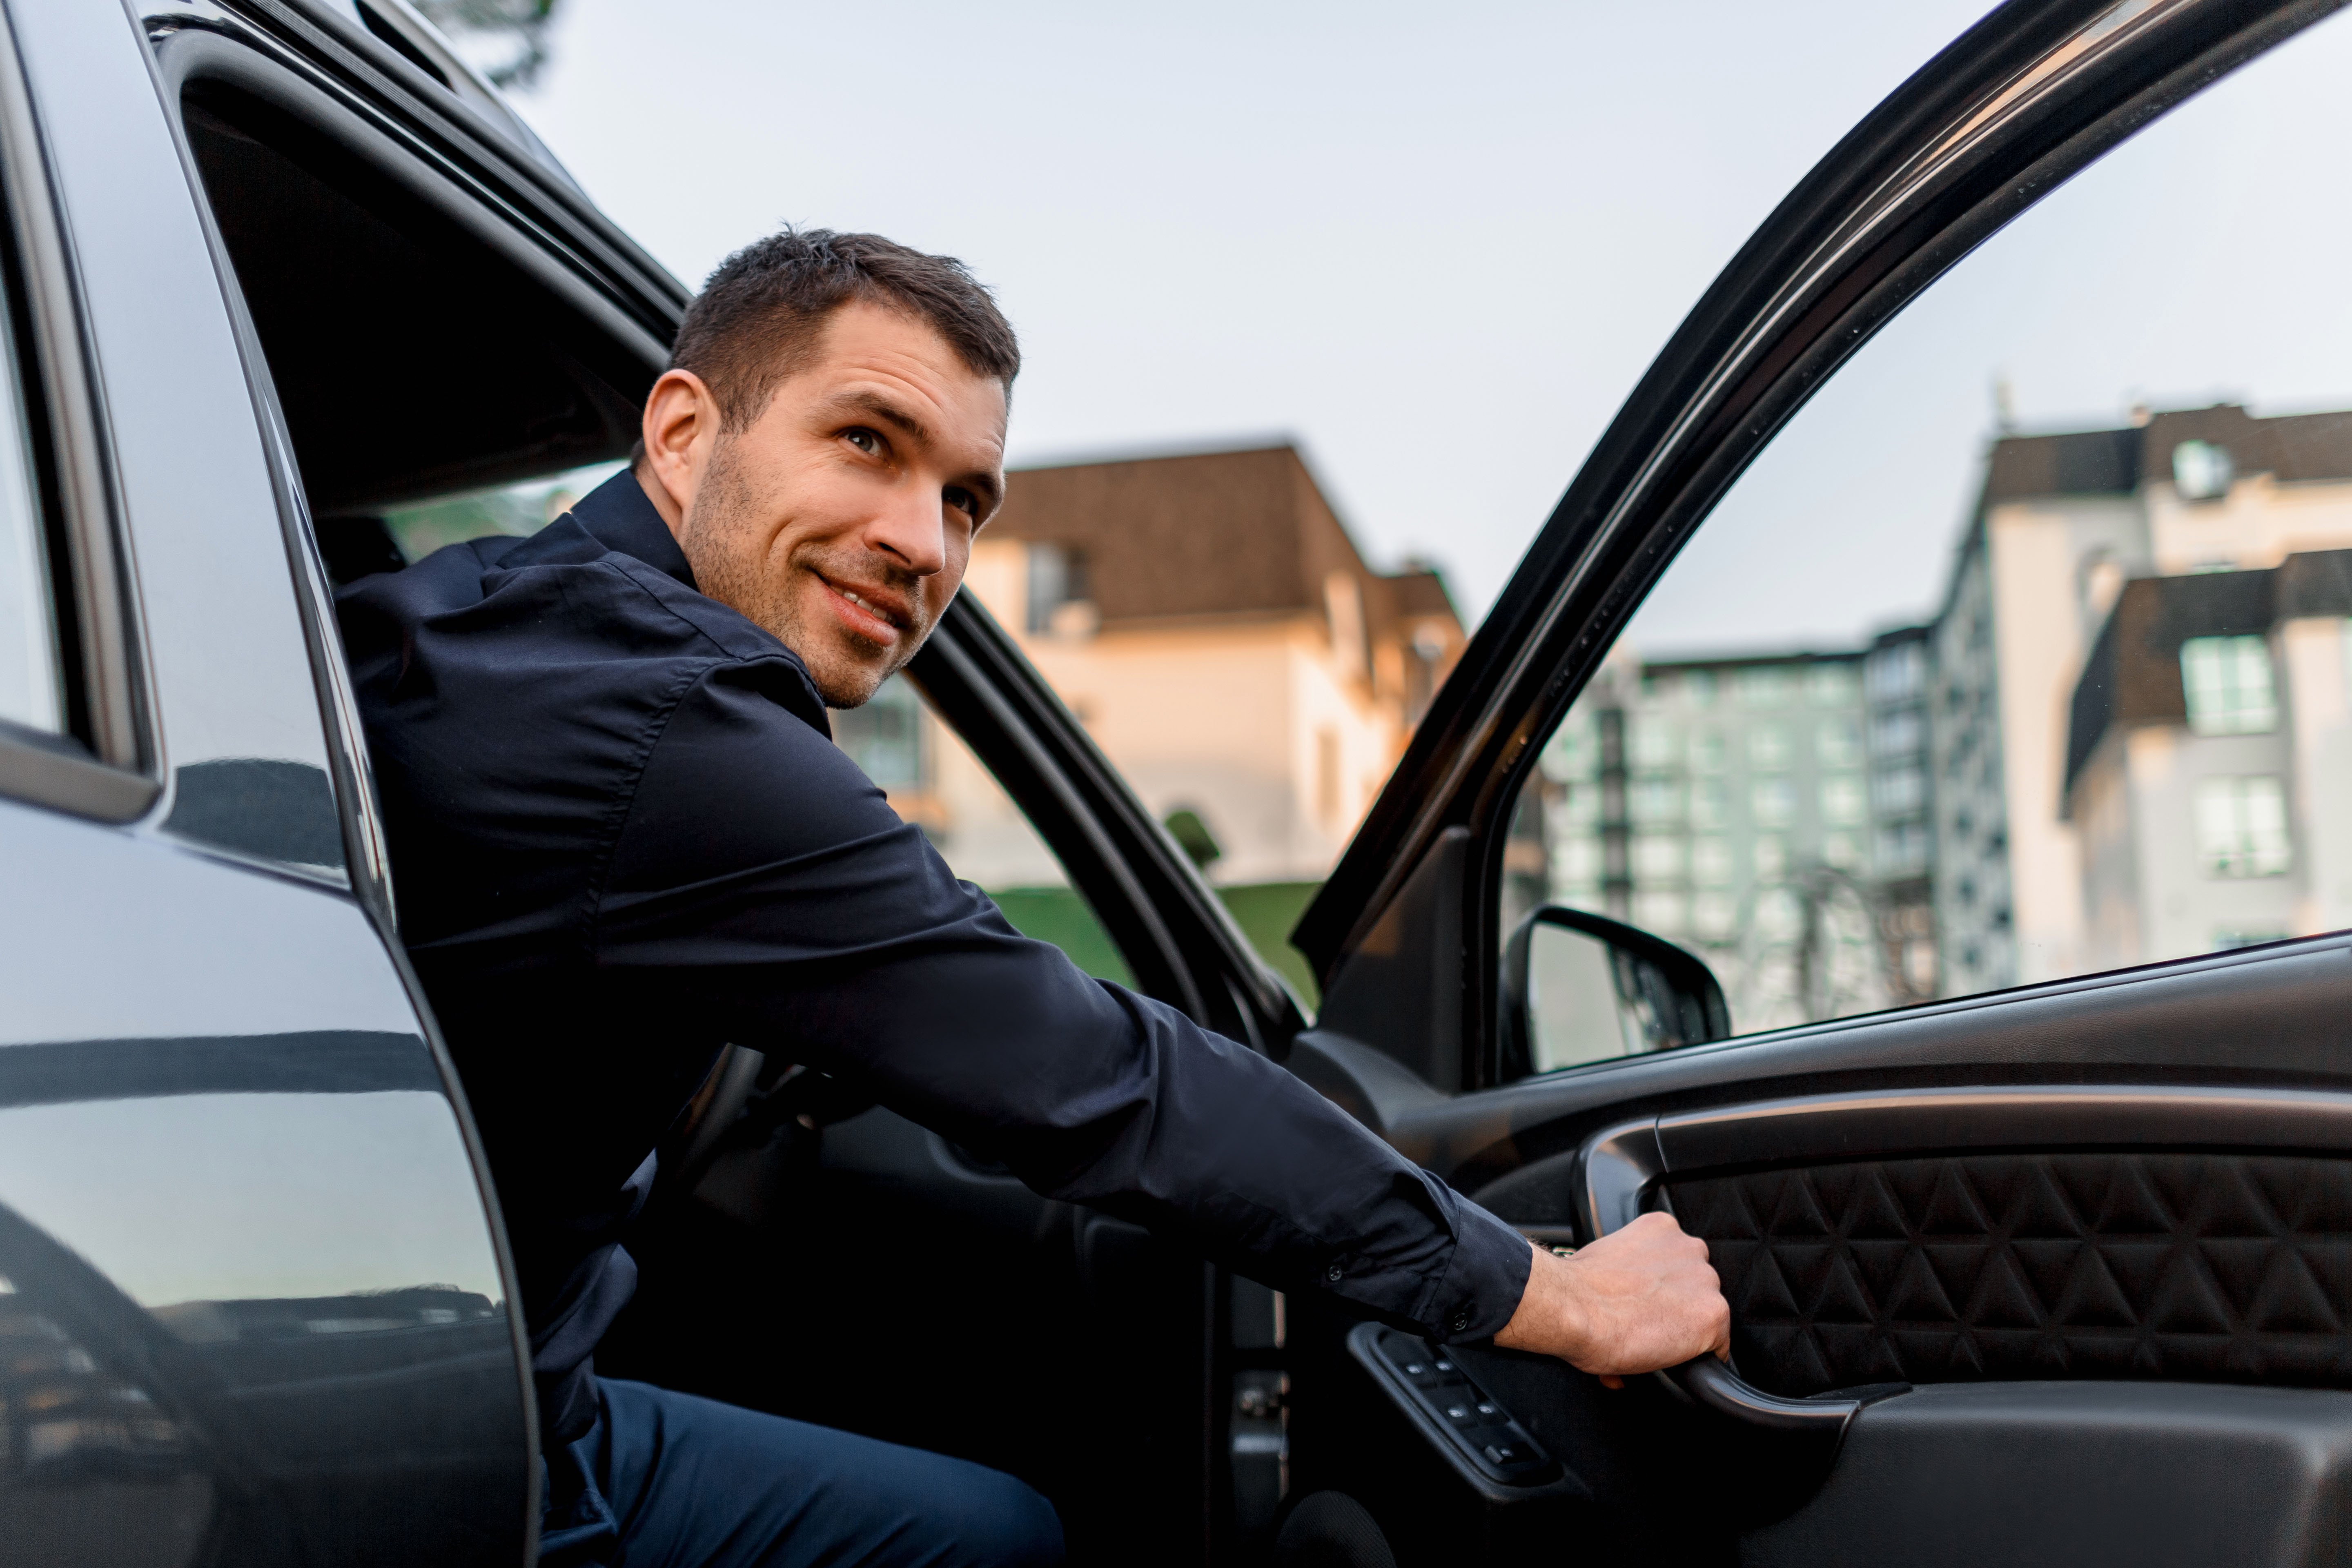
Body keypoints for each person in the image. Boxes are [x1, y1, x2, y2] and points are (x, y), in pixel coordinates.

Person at [336, 229, 1728, 1568]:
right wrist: (1551, 1293)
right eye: (869, 441)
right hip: (478, 1471)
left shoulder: (475, 618)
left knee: (995, 1532)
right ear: (687, 432)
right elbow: (1105, 1080)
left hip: (469, 1395)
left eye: (965, 499)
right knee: (1004, 1540)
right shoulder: (667, 721)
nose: (925, 543)